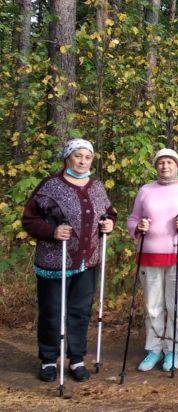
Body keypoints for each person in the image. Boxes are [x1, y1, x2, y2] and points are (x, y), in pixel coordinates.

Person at [22, 138, 116, 383]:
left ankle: (76, 359)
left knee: (80, 311)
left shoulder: (96, 186)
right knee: (52, 311)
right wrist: (51, 232)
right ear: (67, 158)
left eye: (88, 157)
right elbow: (29, 220)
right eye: (78, 156)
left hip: (88, 262)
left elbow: (109, 211)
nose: (83, 161)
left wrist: (109, 223)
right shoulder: (50, 186)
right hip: (55, 261)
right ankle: (49, 360)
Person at [127, 148, 178, 372]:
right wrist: (138, 227)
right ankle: (154, 349)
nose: (165, 166)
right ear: (155, 165)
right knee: (153, 306)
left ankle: (172, 350)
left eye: (170, 162)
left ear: (177, 165)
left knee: (177, 305)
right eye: (161, 162)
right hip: (149, 254)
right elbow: (133, 218)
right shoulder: (146, 190)